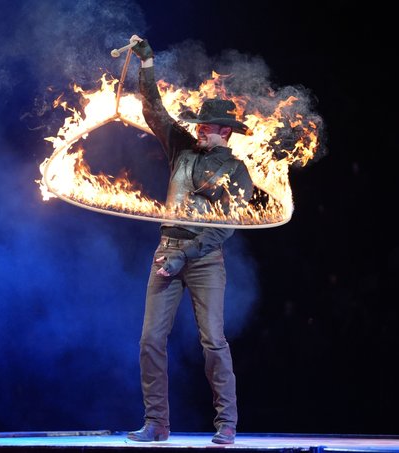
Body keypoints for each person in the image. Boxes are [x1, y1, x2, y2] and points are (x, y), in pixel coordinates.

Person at [126, 35, 254, 445]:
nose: (200, 129)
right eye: (200, 124)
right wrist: (147, 67)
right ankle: (156, 423)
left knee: (213, 341)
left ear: (226, 133)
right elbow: (155, 111)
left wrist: (186, 256)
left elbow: (223, 228)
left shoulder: (238, 172)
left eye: (209, 127)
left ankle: (227, 423)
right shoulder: (182, 148)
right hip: (167, 251)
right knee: (150, 339)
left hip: (204, 258)